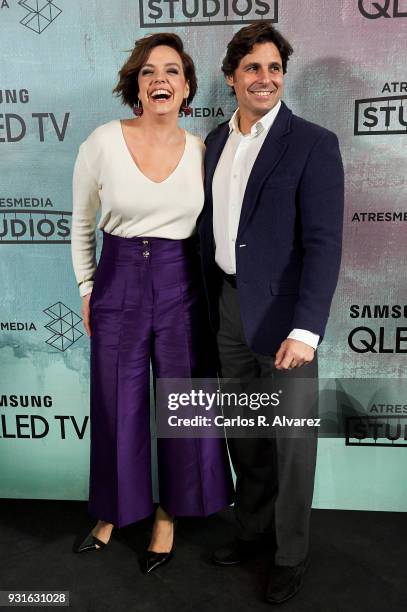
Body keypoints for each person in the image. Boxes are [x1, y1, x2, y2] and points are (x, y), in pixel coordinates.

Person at [71, 32, 233, 574]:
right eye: (147, 71)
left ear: (186, 87)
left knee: (185, 403)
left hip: (182, 281)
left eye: (171, 71)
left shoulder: (203, 151)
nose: (158, 79)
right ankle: (114, 511)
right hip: (117, 280)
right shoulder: (100, 142)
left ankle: (170, 513)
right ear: (135, 87)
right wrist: (88, 288)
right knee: (119, 400)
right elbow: (81, 224)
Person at [198, 23, 344, 604]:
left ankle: (290, 554)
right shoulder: (211, 142)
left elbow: (324, 244)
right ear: (231, 77)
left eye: (275, 68)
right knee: (243, 436)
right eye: (253, 68)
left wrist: (306, 330)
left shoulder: (313, 141)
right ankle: (253, 530)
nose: (266, 78)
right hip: (228, 310)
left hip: (286, 323)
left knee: (290, 443)